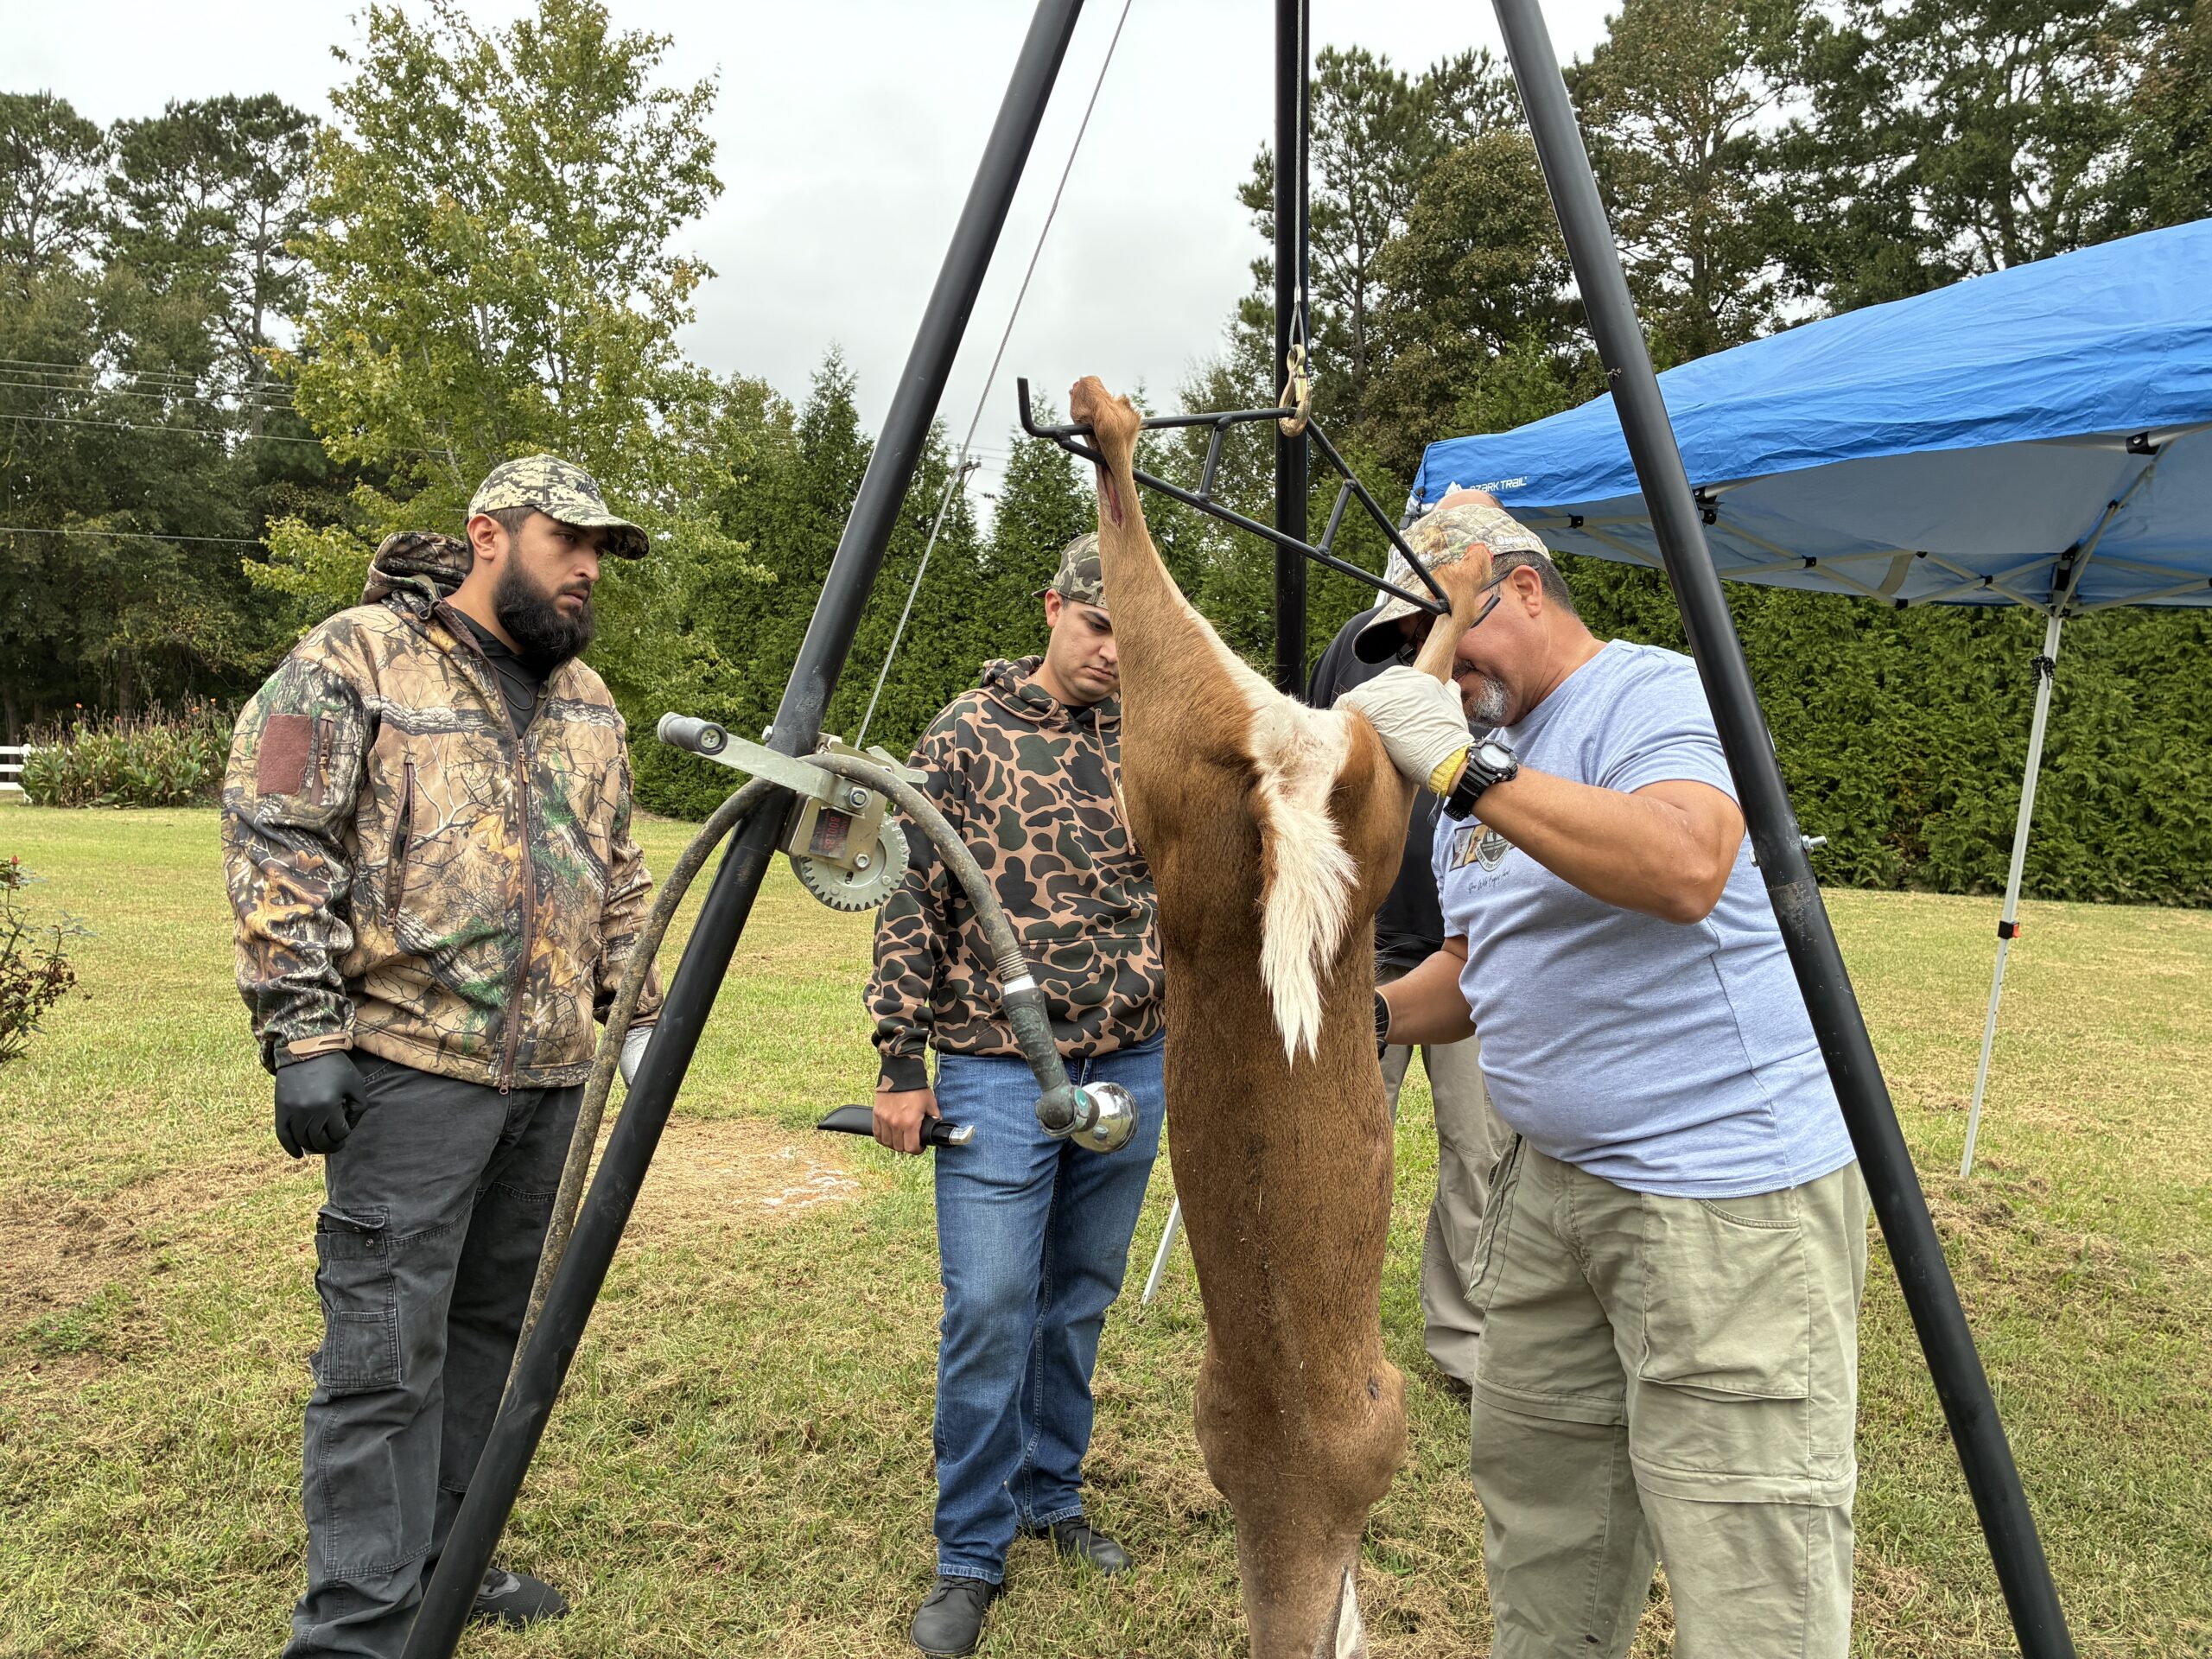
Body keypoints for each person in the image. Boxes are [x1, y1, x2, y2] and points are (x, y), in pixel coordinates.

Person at [1342, 493, 1866, 1659]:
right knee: (1547, 1511)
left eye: (1444, 636)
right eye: (1405, 657)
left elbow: (1685, 863)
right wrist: (1362, 1019)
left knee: (1749, 1543)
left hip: (1719, 1198)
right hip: (1550, 1192)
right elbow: (1480, 970)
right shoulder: (1481, 770)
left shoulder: (1651, 691)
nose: (1435, 672)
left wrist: (1461, 769)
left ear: (1522, 588)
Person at [222, 457, 665, 1658]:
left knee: (489, 1339)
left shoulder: (588, 701)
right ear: (487, 536)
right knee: (384, 1356)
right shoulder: (355, 657)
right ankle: (359, 1624)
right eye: (566, 542)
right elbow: (276, 826)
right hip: (408, 1069)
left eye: (600, 555)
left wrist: (640, 1017)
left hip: (550, 1082)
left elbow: (616, 872)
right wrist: (301, 1029)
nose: (585, 571)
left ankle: (450, 1566)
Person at [868, 532, 1167, 1658]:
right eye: (1098, 629)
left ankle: (1052, 1497)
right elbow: (908, 896)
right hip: (996, 1069)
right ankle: (970, 1552)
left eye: (1134, 639)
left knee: (1077, 1296)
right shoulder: (965, 735)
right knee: (991, 1304)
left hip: (1130, 1066)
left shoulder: (1154, 738)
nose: (1113, 656)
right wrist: (900, 1061)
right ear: (1054, 609)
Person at [1307, 598, 1508, 1392]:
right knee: (1342, 1149)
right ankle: (1328, 1341)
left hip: (1480, 955)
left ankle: (1465, 1346)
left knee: (1481, 1150)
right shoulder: (1357, 648)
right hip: (1363, 945)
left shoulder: (1503, 661)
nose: (1418, 634)